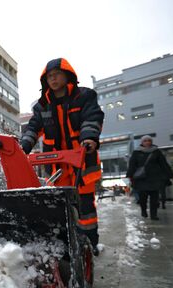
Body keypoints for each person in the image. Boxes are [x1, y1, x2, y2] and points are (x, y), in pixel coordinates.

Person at [20, 58, 104, 256]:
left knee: (85, 207)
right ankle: (65, 243)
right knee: (59, 205)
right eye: (49, 76)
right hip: (57, 165)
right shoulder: (42, 106)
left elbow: (92, 117)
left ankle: (90, 244)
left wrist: (90, 138)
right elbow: (33, 128)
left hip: (82, 160)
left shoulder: (83, 96)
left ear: (67, 75)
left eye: (57, 74)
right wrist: (23, 147)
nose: (53, 78)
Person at [126, 135, 173, 220]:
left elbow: (163, 164)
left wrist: (168, 175)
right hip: (141, 179)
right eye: (145, 141)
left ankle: (153, 215)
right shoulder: (136, 152)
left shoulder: (156, 151)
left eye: (149, 140)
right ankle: (143, 210)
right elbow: (132, 165)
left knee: (154, 198)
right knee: (143, 198)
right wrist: (130, 175)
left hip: (155, 177)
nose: (147, 142)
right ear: (142, 142)